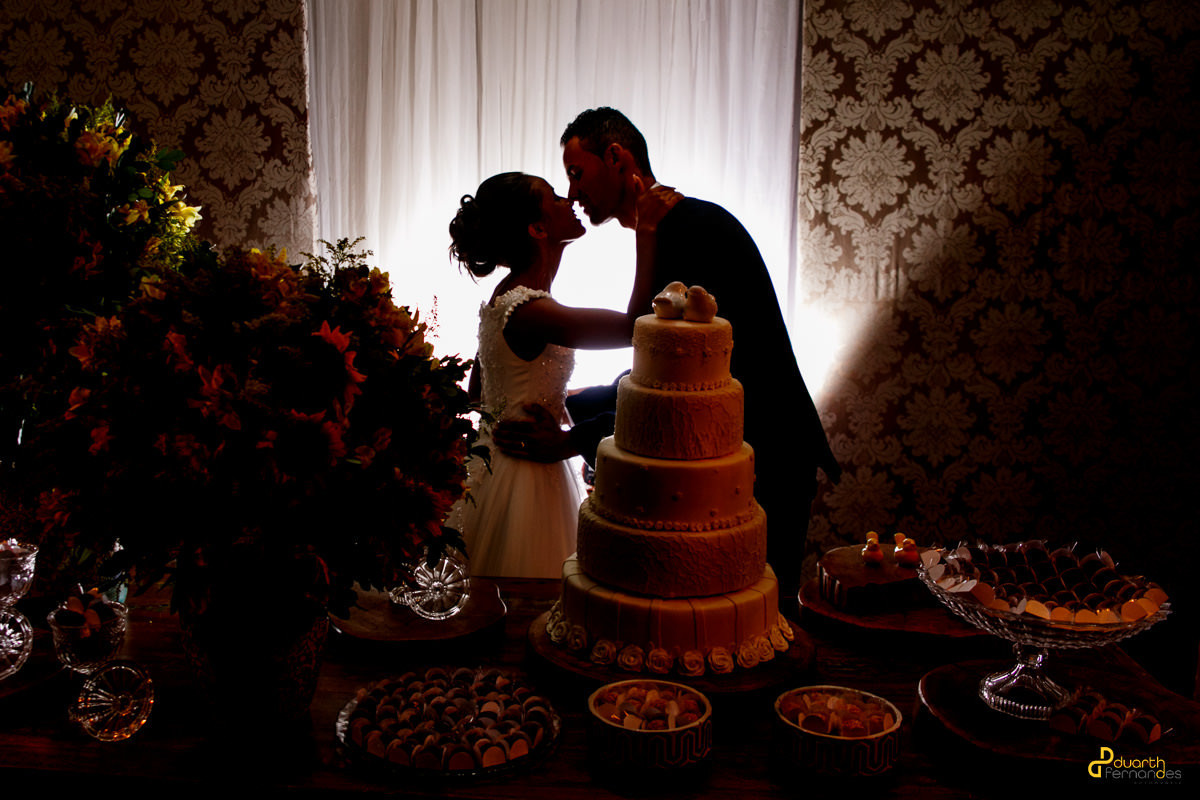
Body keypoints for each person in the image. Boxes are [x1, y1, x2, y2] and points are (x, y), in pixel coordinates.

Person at [493, 108, 841, 611]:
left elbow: (689, 377)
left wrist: (578, 438)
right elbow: (660, 371)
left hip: (765, 452)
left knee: (757, 622)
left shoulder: (694, 228)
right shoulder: (664, 234)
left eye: (576, 172)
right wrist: (576, 401)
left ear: (615, 157)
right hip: (724, 455)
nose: (572, 192)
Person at [447, 171, 679, 579]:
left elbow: (478, 391)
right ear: (537, 228)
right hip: (526, 475)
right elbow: (634, 328)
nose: (568, 199)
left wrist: (546, 396)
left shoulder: (503, 298)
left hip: (498, 465)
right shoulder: (531, 310)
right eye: (554, 196)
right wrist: (647, 232)